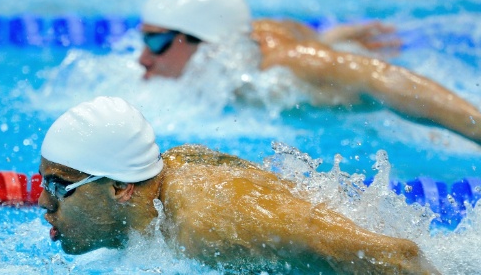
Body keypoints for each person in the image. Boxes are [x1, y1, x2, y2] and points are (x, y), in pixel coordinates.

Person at [137, 0, 481, 158]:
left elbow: (380, 78)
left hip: (410, 116)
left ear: (203, 42)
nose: (143, 57)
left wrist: (480, 125)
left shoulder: (284, 69)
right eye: (143, 39)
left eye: (155, 42)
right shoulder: (248, 37)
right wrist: (333, 37)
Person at [38, 96, 440, 274]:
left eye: (58, 187)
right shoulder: (167, 172)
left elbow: (399, 258)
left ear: (121, 188)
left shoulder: (208, 224)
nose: (42, 203)